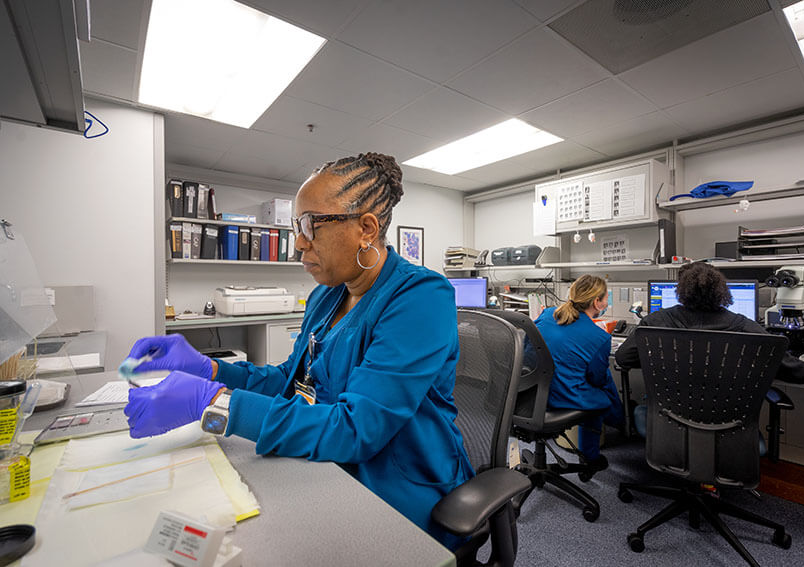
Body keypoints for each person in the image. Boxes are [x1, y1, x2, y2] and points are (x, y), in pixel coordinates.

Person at [121, 153, 474, 549]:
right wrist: (211, 371)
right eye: (297, 226)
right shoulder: (327, 295)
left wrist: (216, 406)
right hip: (326, 468)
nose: (299, 243)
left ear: (366, 229)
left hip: (396, 491)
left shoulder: (420, 297)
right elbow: (291, 380)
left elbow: (357, 430)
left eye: (311, 225)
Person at [615, 262, 804, 436]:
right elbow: (797, 371)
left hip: (668, 420)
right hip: (730, 427)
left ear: (680, 292)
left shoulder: (655, 323)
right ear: (723, 293)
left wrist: (662, 358)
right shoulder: (747, 328)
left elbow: (624, 358)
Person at [533, 274, 625, 470]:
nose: (606, 302)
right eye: (606, 298)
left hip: (532, 393)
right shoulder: (600, 337)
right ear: (596, 302)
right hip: (561, 397)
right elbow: (597, 379)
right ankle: (591, 456)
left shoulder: (548, 314)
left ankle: (620, 420)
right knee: (602, 396)